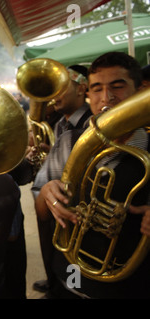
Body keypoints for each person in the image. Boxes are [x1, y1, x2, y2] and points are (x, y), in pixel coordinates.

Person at [32, 51, 150, 299]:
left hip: (131, 287)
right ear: (88, 94)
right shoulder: (67, 142)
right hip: (68, 283)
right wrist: (46, 193)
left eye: (117, 87)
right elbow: (41, 210)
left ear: (140, 91)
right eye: (97, 89)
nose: (106, 98)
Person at [32, 64, 92, 294]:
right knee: (56, 255)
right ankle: (54, 281)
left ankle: (67, 286)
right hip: (53, 209)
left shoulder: (89, 124)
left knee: (75, 273)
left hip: (74, 215)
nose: (54, 95)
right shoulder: (60, 124)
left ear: (81, 89)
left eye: (61, 88)